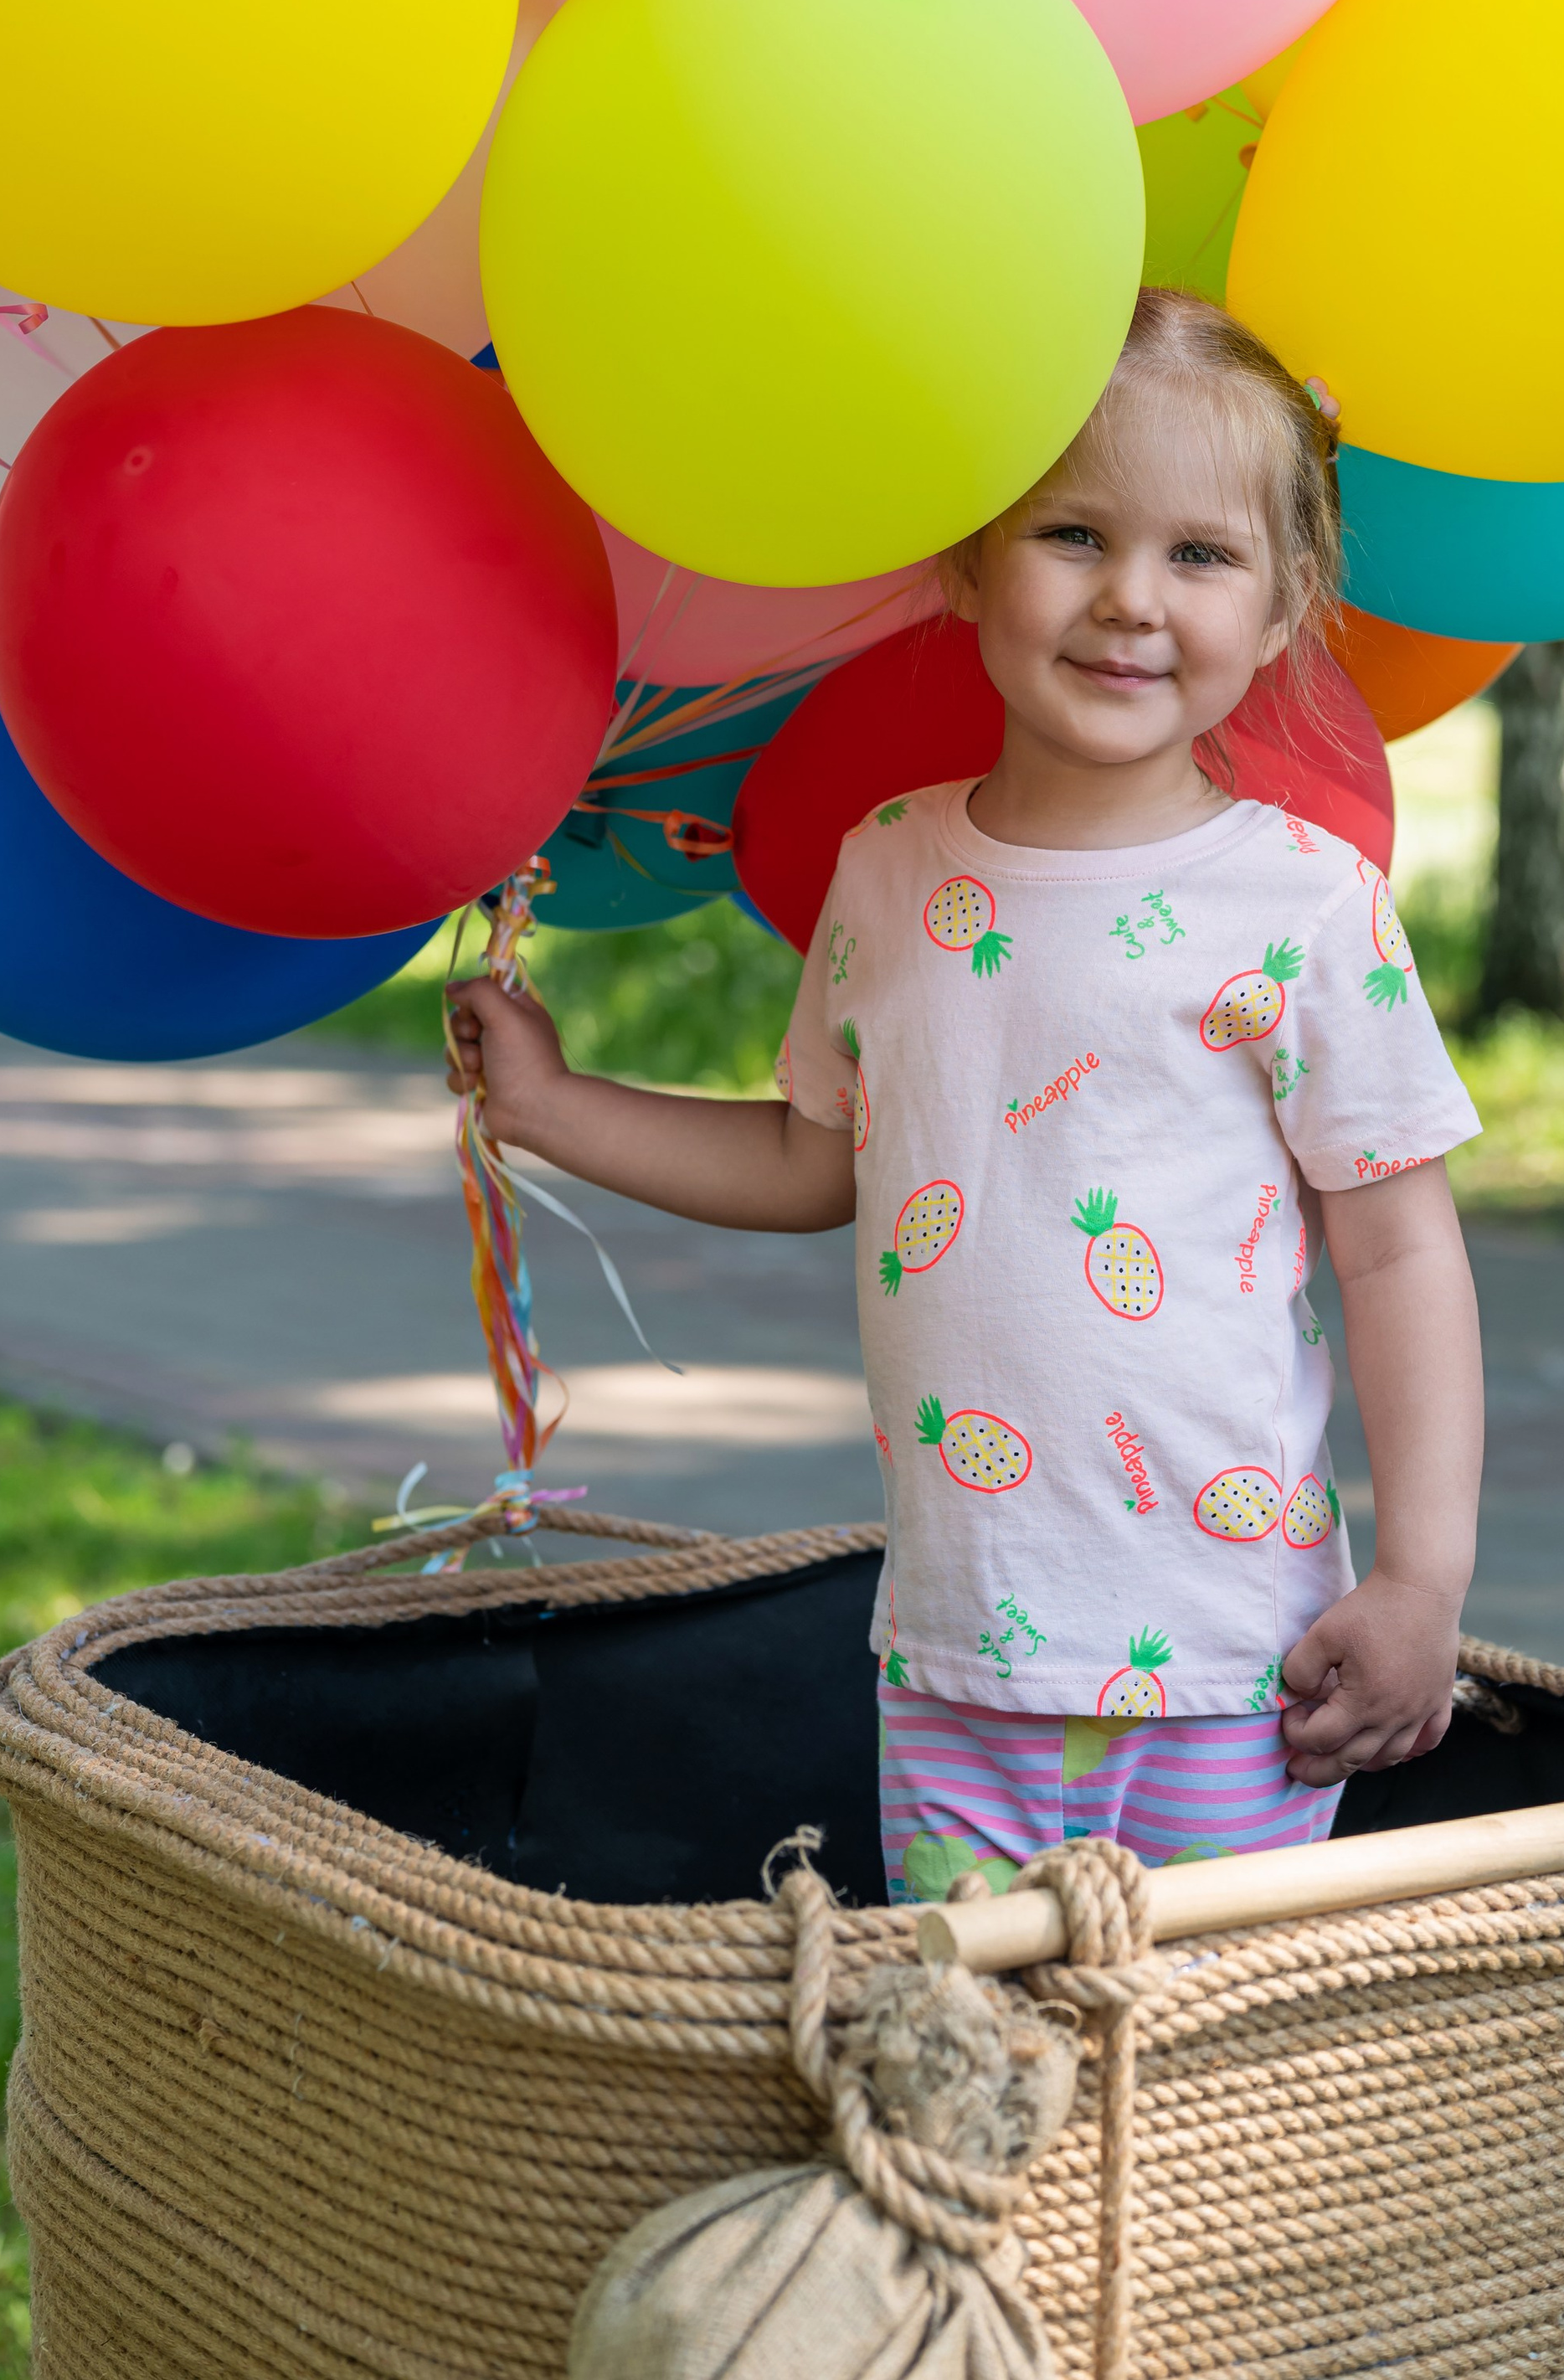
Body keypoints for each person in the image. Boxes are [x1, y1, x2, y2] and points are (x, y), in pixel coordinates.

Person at [448, 289, 1484, 1900]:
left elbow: (1401, 1251)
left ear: (1282, 611)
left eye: (1200, 556)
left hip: (1233, 1665)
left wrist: (1422, 1579)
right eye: (1074, 532)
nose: (1131, 601)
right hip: (956, 1659)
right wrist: (558, 1108)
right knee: (980, 2092)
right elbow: (817, 1158)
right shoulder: (887, 868)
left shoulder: (1302, 903)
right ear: (968, 562)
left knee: (1207, 2101)